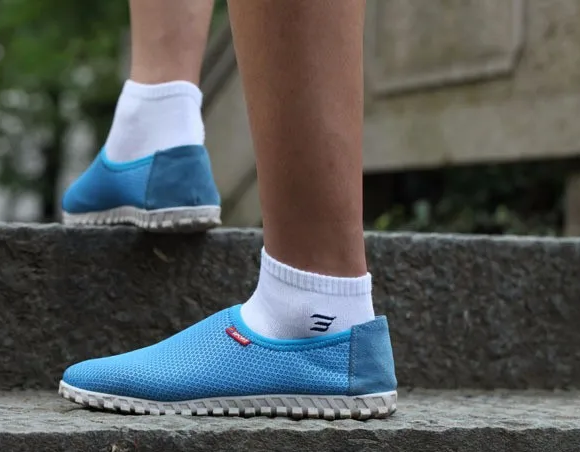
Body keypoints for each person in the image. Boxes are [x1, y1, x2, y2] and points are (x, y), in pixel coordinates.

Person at [59, 0, 396, 420]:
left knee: (315, 294)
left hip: (319, 332)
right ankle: (157, 117)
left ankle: (313, 305)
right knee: (158, 112)